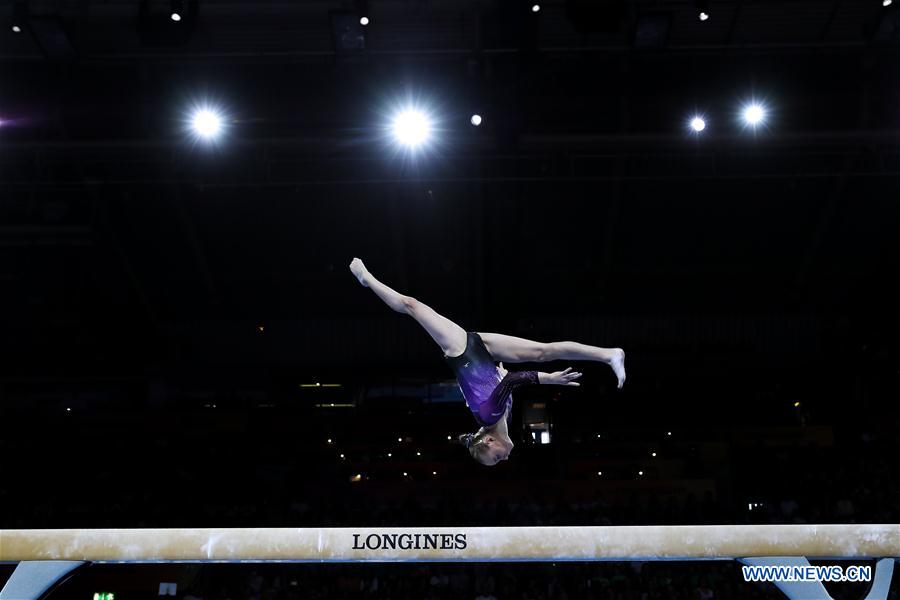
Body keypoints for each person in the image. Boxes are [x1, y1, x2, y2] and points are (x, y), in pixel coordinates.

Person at [349, 258, 626, 466]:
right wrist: (497, 374)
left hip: (460, 350)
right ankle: (609, 354)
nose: (503, 460)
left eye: (494, 459)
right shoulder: (501, 419)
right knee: (543, 351)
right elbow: (502, 383)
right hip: (483, 351)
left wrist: (550, 379)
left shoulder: (489, 416)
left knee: (411, 306)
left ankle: (367, 279)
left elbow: (513, 380)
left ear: (490, 441)